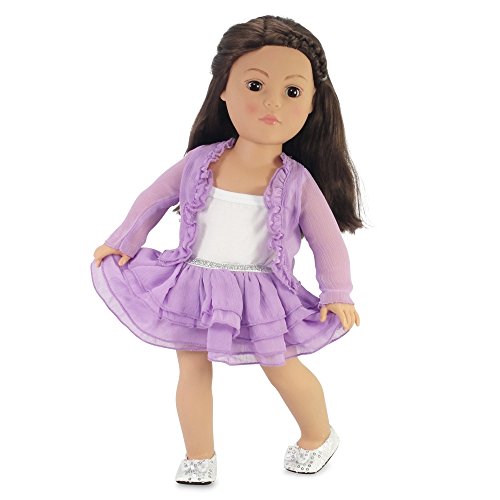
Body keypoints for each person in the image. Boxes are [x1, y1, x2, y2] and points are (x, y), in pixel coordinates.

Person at [91, 14, 365, 484]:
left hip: (263, 293)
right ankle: (199, 454)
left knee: (280, 365)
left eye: (292, 92)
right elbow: (153, 199)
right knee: (192, 367)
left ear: (312, 105)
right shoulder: (201, 162)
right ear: (224, 89)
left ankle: (319, 434)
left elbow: (327, 242)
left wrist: (336, 292)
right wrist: (122, 241)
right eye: (255, 86)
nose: (273, 103)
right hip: (192, 283)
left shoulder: (297, 181)